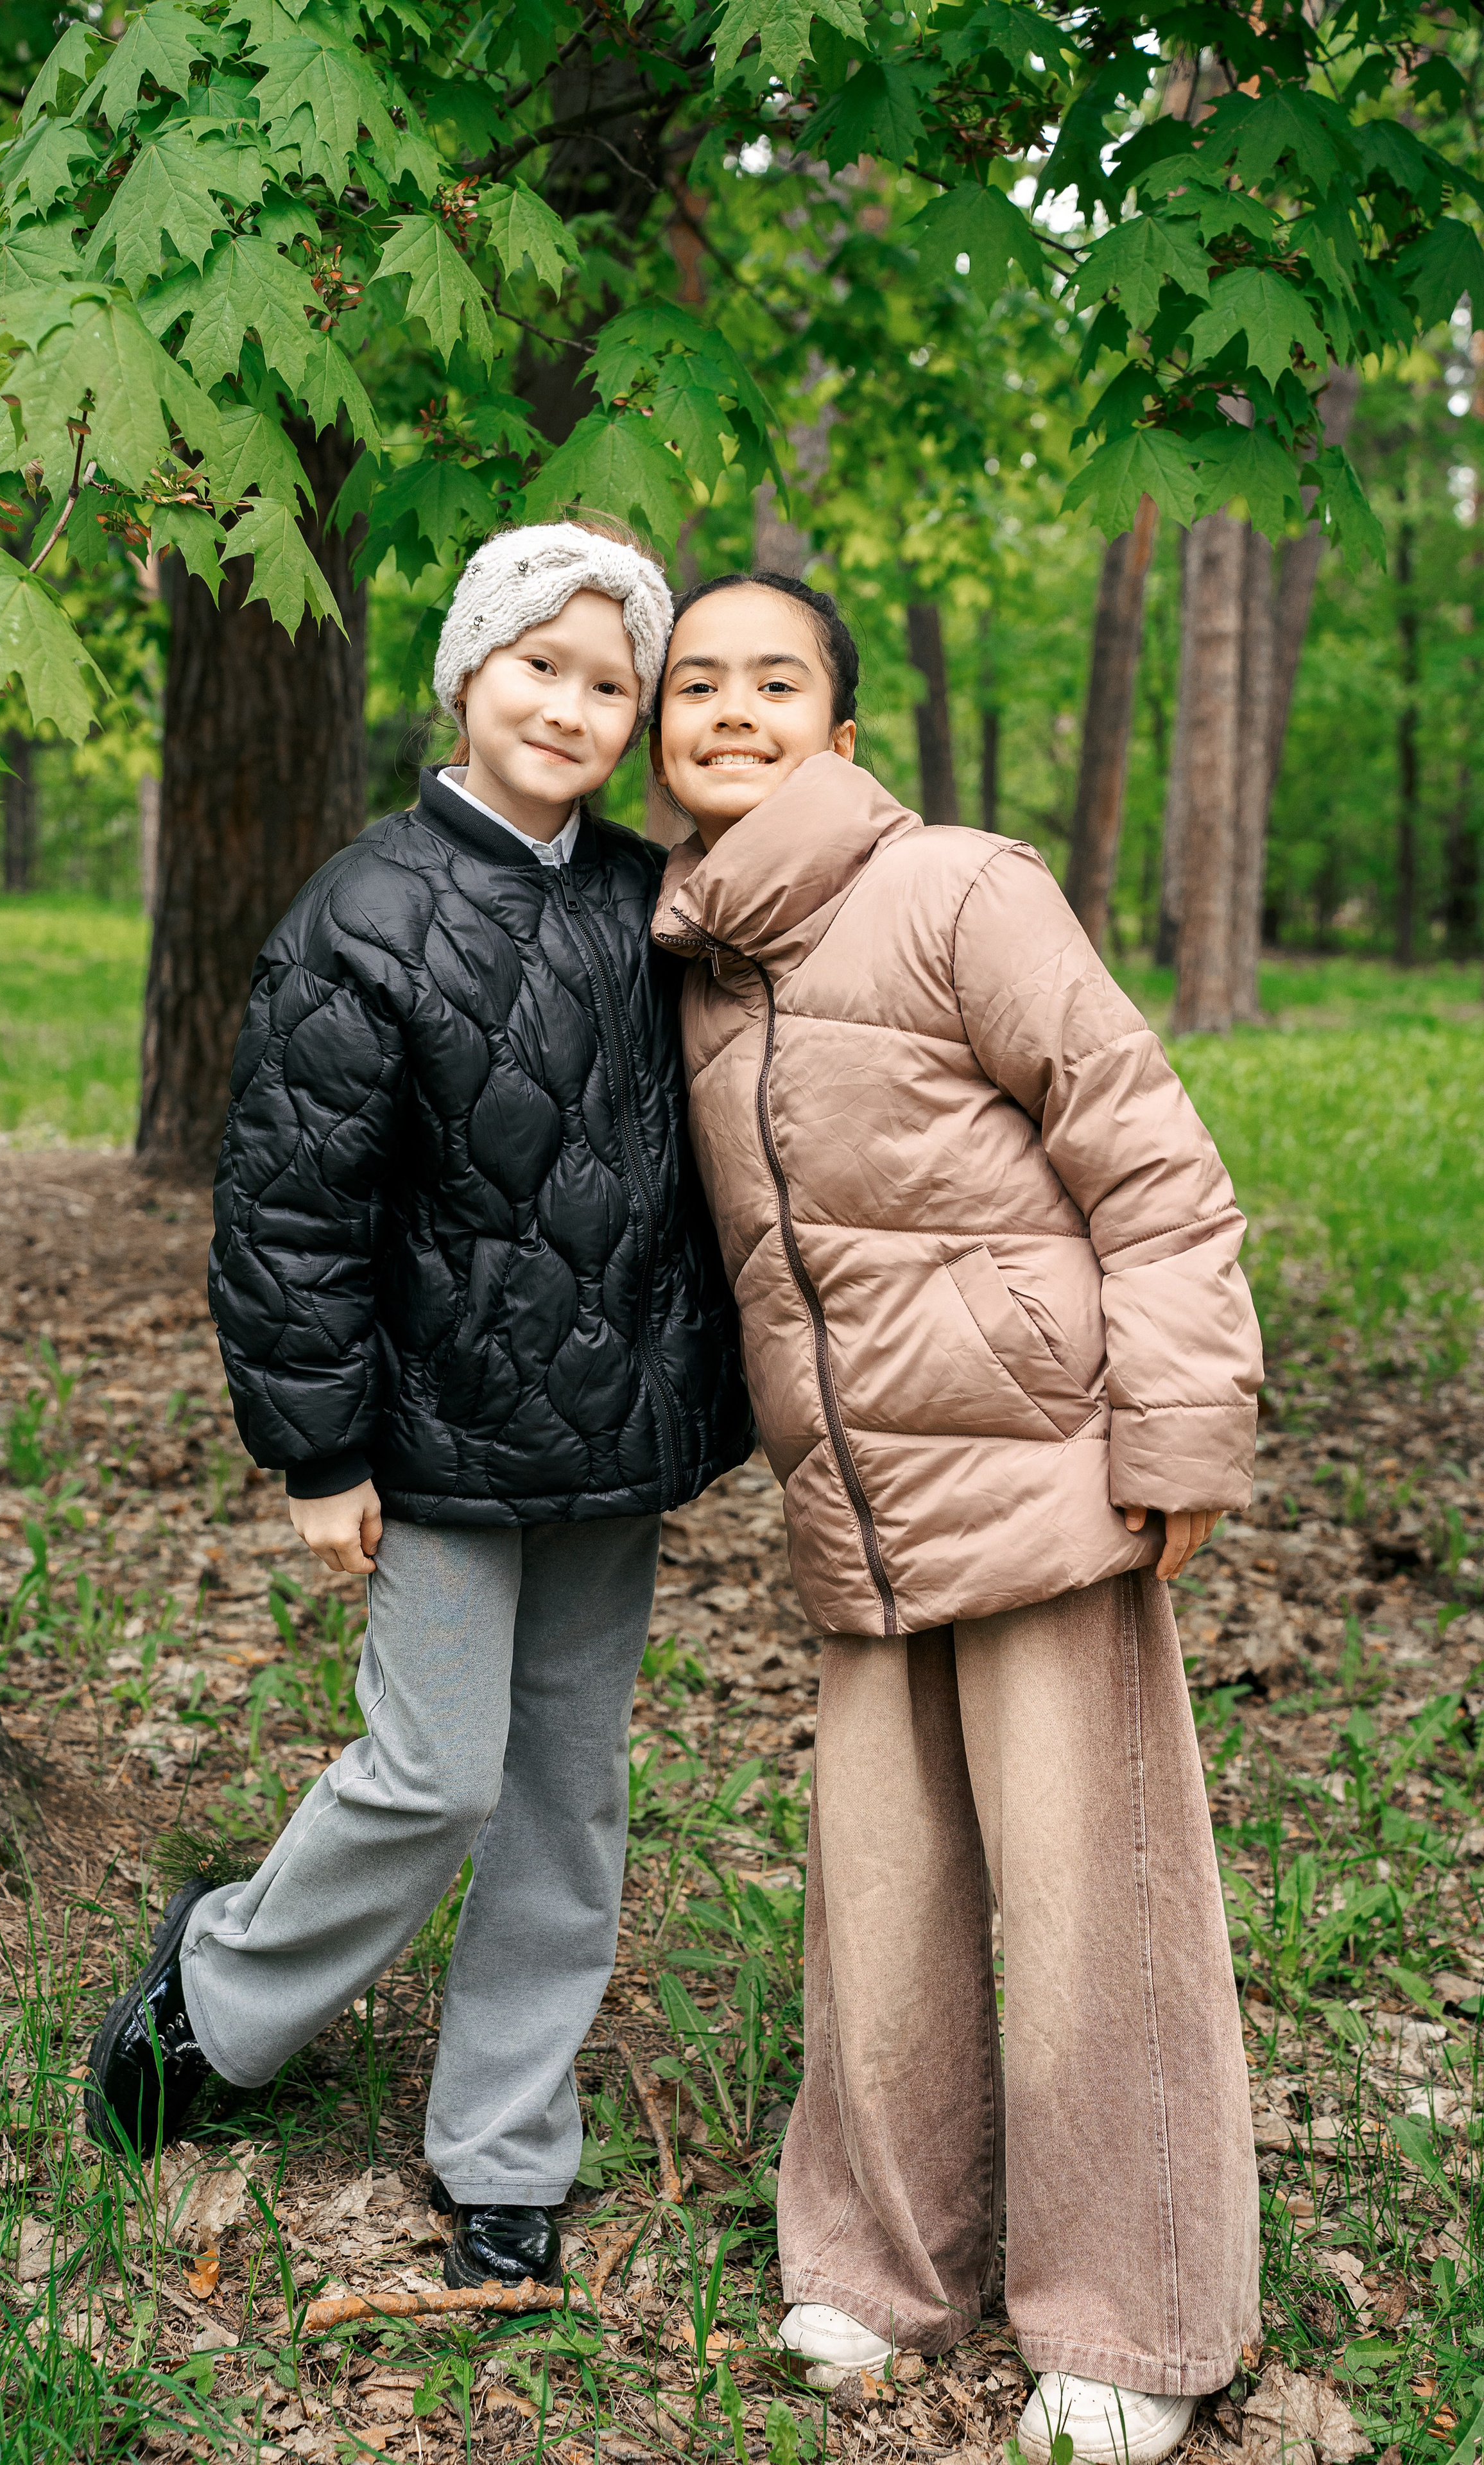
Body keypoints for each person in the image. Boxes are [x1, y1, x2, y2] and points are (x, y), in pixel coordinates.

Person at [85, 520, 752, 2296]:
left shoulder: (643, 903)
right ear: (467, 672)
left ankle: (506, 2151)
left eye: (611, 683)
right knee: (435, 1776)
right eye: (539, 663)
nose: (571, 705)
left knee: (564, 1800)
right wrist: (318, 1445)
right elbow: (289, 1206)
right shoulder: (365, 910)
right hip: (435, 1444)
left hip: (610, 1437)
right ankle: (214, 2002)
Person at [648, 569, 1263, 2463]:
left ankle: (1141, 2317)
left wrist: (1178, 1431)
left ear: (843, 726)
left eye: (776, 682)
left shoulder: (961, 891)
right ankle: (879, 2261)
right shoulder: (686, 959)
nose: (732, 712)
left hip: (1042, 1475)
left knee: (1096, 1904)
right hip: (858, 1511)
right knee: (884, 1902)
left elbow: (1148, 1155)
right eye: (695, 686)